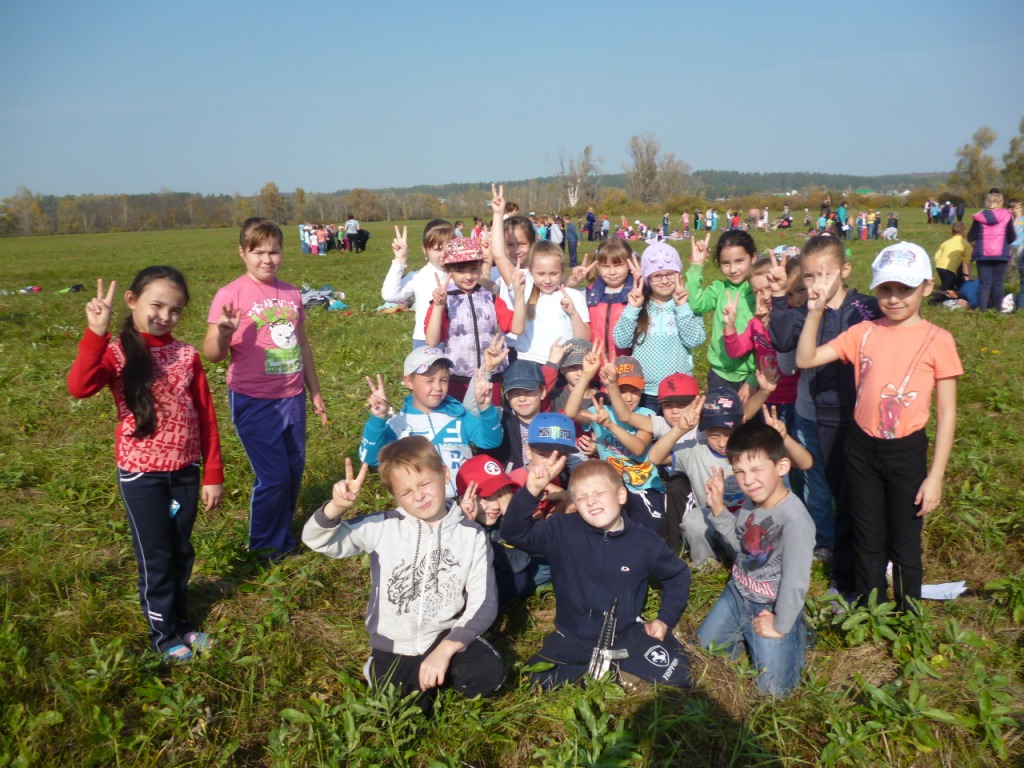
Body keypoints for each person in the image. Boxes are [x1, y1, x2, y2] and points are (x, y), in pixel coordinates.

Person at [796, 242, 962, 613]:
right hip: (860, 448)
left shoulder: (939, 341)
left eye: (905, 288)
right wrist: (815, 312)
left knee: (904, 540)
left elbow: (947, 414)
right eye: (886, 289)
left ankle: (907, 617)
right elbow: (807, 358)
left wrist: (935, 476)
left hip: (906, 452)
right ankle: (873, 610)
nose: (894, 298)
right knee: (867, 535)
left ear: (926, 287)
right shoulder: (864, 332)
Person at [68, 267, 224, 661]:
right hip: (142, 476)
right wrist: (95, 334)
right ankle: (163, 636)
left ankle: (183, 626)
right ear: (132, 301)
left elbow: (206, 416)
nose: (164, 316)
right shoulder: (117, 353)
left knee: (181, 550)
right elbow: (79, 387)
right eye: (156, 305)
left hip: (185, 472)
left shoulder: (187, 355)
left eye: (175, 310)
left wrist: (212, 473)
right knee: (156, 556)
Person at [302, 439, 506, 711]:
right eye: (406, 492)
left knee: (488, 675)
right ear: (394, 496)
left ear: (444, 475)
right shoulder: (383, 526)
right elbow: (317, 541)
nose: (419, 496)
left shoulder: (472, 535)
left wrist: (446, 649)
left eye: (425, 484)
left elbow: (484, 602)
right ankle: (380, 669)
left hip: (442, 635)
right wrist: (336, 508)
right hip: (395, 645)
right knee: (397, 713)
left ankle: (442, 668)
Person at [501, 456, 693, 689]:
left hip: (624, 634)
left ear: (621, 495)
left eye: (599, 493)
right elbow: (513, 533)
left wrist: (665, 619)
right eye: (581, 497)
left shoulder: (645, 542)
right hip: (571, 636)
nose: (590, 501)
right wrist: (531, 490)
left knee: (680, 676)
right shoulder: (561, 529)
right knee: (535, 681)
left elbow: (678, 575)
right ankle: (606, 672)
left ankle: (613, 668)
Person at [204, 218, 326, 560]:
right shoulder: (230, 295)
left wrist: (314, 391)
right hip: (253, 399)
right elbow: (212, 355)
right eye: (258, 252)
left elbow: (302, 346)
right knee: (273, 475)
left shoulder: (290, 293)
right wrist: (224, 333)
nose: (267, 259)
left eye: (274, 251)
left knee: (293, 468)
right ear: (242, 252)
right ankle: (263, 544)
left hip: (293, 397)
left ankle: (281, 533)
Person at [767, 234, 882, 583]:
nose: (817, 284)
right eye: (809, 277)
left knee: (859, 491)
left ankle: (870, 553)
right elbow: (782, 340)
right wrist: (776, 297)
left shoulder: (865, 308)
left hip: (862, 417)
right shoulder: (803, 313)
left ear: (845, 270)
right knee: (827, 486)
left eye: (826, 275)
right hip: (819, 414)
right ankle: (834, 551)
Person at [696, 422, 814, 697]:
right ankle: (748, 634)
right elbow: (743, 548)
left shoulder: (795, 519)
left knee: (775, 693)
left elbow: (796, 581)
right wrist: (718, 510)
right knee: (704, 650)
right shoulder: (751, 502)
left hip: (770, 605)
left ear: (782, 467)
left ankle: (796, 629)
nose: (748, 480)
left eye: (756, 469)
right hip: (737, 593)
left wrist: (779, 623)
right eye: (739, 472)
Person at [360, 347, 502, 498]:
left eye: (444, 380)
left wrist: (485, 408)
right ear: (409, 382)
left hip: (465, 500)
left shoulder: (459, 414)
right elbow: (370, 458)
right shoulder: (397, 425)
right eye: (429, 380)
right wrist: (378, 419)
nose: (438, 387)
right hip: (422, 504)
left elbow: (491, 441)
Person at [424, 237, 526, 402]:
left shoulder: (490, 299)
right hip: (458, 380)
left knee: (490, 421)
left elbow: (517, 328)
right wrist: (438, 306)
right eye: (460, 270)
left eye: (474, 268)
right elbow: (432, 340)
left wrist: (519, 293)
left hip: (491, 376)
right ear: (448, 270)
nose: (469, 276)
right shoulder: (445, 300)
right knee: (462, 423)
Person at [613, 242, 706, 411]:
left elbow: (694, 340)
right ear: (647, 278)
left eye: (670, 274)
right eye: (656, 275)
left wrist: (682, 307)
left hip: (678, 392)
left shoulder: (688, 304)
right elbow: (621, 341)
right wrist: (633, 309)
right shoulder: (640, 305)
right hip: (644, 392)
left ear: (679, 274)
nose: (664, 280)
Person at [455, 455, 550, 610]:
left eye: (501, 496)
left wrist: (511, 516)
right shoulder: (450, 519)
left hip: (507, 570)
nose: (496, 506)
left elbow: (517, 562)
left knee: (549, 562)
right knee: (520, 578)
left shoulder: (500, 521)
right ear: (463, 498)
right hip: (472, 590)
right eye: (486, 497)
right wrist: (465, 525)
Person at [685, 231, 757, 394]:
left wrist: (753, 378)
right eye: (726, 263)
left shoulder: (759, 291)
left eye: (739, 261)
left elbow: (766, 341)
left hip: (751, 377)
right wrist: (697, 265)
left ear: (753, 257)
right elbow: (696, 305)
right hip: (719, 373)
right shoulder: (719, 289)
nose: (733, 269)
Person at [380, 220, 454, 349]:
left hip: (457, 339)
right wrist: (400, 259)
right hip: (424, 340)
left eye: (448, 248)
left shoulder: (462, 276)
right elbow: (389, 295)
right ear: (425, 249)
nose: (443, 254)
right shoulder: (418, 277)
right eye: (437, 249)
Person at [967, 189, 1016, 311]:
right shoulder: (1007, 216)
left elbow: (970, 237)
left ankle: (982, 309)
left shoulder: (979, 217)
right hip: (1001, 253)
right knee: (998, 283)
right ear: (1001, 203)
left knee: (985, 283)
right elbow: (1012, 236)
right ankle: (996, 309)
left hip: (982, 254)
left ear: (986, 202)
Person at [930, 222, 971, 303]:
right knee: (948, 286)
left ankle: (946, 297)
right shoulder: (965, 244)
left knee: (948, 283)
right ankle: (936, 300)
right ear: (964, 232)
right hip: (949, 268)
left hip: (939, 265)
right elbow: (966, 261)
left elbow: (936, 256)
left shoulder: (946, 242)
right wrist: (967, 275)